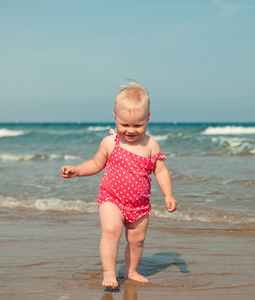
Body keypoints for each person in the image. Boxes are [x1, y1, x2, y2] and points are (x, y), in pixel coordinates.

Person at [60, 80, 177, 289]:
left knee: (137, 239)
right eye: (124, 125)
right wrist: (77, 170)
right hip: (111, 198)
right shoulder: (109, 142)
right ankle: (109, 273)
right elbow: (96, 164)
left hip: (139, 205)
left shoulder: (151, 145)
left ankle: (131, 271)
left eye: (138, 125)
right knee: (111, 230)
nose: (130, 131)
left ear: (148, 119)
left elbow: (160, 171)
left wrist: (168, 195)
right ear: (115, 117)